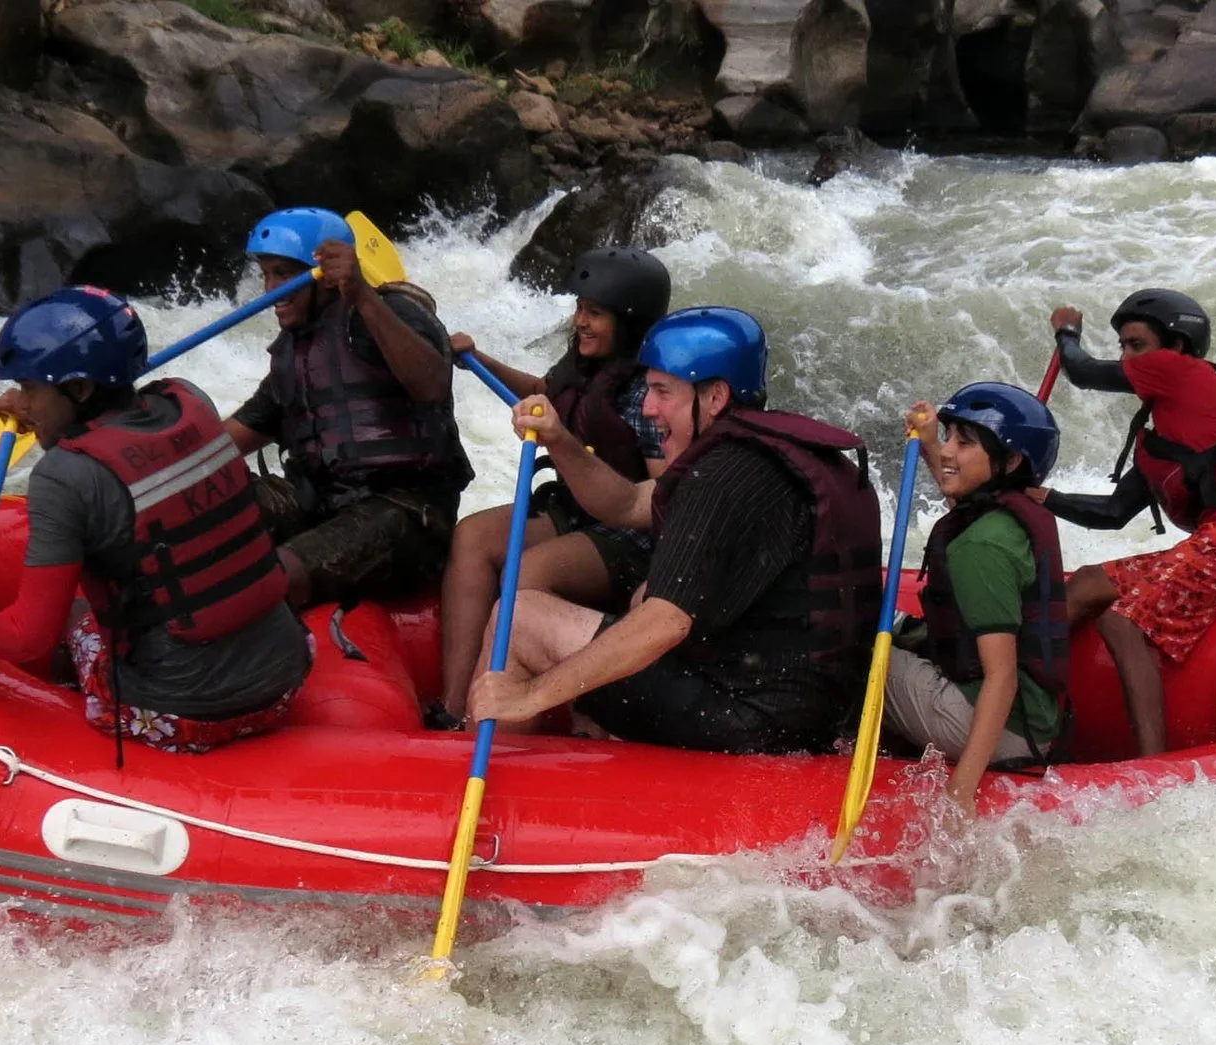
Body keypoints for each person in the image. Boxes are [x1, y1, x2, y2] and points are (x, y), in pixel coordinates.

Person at [464, 306, 882, 755]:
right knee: (643, 595)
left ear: (715, 397)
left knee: (521, 618)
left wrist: (529, 696)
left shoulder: (719, 477)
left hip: (753, 721)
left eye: (663, 392)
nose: (648, 408)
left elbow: (666, 624)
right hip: (813, 709)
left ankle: (478, 766)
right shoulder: (770, 456)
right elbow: (626, 503)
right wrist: (560, 440)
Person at [0, 286, 313, 756]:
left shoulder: (63, 478)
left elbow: (28, 637)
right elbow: (117, 436)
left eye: (30, 388)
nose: (23, 401)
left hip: (182, 714)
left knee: (75, 617)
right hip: (285, 681)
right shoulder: (189, 401)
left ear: (79, 389)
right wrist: (41, 411)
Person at [433, 246, 673, 725]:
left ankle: (510, 717)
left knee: (526, 571)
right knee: (473, 535)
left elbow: (665, 496)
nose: (581, 321)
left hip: (630, 534)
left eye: (595, 313)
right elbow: (546, 393)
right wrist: (478, 360)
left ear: (629, 322)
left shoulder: (649, 394)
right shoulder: (585, 365)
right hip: (578, 510)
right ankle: (454, 708)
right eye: (580, 308)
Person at [1043, 288, 1216, 756]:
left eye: (1137, 345)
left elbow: (1084, 371)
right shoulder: (1167, 438)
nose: (1127, 358)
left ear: (1176, 346)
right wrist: (1043, 498)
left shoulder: (1182, 370)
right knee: (1090, 582)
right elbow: (1113, 513)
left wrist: (1066, 332)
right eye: (1123, 347)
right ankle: (1018, 710)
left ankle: (1151, 760)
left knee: (1122, 622)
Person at [223, 206, 473, 611]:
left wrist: (362, 295)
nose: (270, 290)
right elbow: (226, 441)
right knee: (210, 506)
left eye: (283, 274)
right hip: (321, 503)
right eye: (266, 274)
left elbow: (431, 384)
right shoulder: (294, 353)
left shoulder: (392, 313)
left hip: (407, 511)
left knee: (280, 573)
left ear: (322, 275)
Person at [885, 382, 1071, 804]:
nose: (949, 451)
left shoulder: (981, 547)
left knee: (856, 655)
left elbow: (1002, 677)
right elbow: (961, 489)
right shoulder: (1005, 514)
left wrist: (962, 788)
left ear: (1011, 461)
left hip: (1006, 733)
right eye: (949, 437)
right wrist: (930, 442)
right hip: (1034, 720)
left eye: (964, 443)